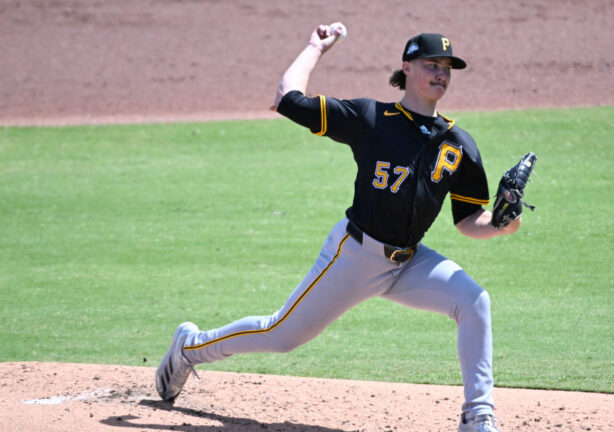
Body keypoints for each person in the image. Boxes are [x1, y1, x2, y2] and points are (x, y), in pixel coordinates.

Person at [155, 24, 521, 432]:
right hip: (356, 255)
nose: (441, 74)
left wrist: (503, 223)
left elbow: (469, 220)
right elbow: (288, 99)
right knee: (281, 335)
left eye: (447, 68)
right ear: (407, 67)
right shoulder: (372, 118)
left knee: (474, 301)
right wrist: (315, 47)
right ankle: (190, 347)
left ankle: (477, 415)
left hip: (409, 263)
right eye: (431, 64)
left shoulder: (459, 144)